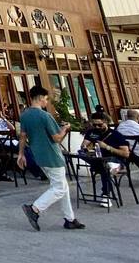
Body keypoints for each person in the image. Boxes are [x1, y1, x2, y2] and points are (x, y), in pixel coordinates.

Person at [18, 86, 84, 231]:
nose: (46, 102)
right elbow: (57, 138)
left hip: (38, 155)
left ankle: (70, 218)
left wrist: (21, 154)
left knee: (62, 187)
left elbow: (22, 136)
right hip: (52, 155)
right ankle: (34, 209)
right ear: (41, 97)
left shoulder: (25, 115)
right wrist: (65, 128)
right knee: (59, 188)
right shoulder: (45, 116)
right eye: (46, 99)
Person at [79, 114, 130, 208]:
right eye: (94, 125)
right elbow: (84, 145)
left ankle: (106, 194)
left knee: (106, 166)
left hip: (117, 162)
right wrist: (85, 148)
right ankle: (105, 194)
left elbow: (126, 154)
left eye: (100, 125)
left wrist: (107, 147)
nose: (97, 127)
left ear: (106, 122)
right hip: (99, 160)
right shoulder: (92, 132)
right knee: (82, 154)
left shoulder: (115, 135)